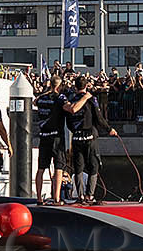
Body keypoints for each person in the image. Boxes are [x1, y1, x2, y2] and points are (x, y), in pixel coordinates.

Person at [64, 77, 117, 203]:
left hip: (77, 137)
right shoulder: (91, 99)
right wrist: (109, 129)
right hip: (90, 137)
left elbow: (69, 122)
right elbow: (99, 118)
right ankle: (90, 195)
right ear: (86, 86)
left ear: (75, 87)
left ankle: (80, 196)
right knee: (94, 166)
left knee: (78, 168)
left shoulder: (71, 101)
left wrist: (75, 131)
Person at [34, 75, 67, 204]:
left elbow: (34, 101)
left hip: (44, 137)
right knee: (59, 167)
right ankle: (57, 198)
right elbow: (68, 107)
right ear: (59, 86)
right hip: (56, 137)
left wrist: (48, 91)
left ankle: (39, 198)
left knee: (41, 168)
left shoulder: (41, 98)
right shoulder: (60, 98)